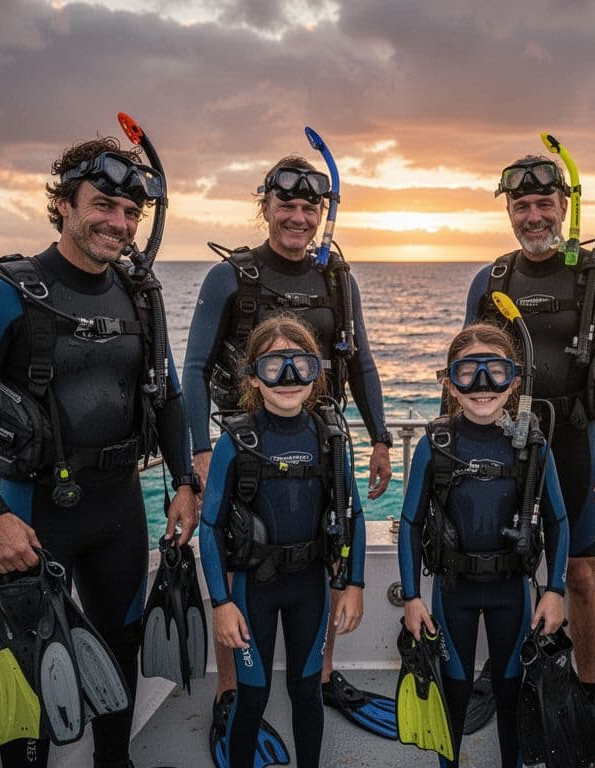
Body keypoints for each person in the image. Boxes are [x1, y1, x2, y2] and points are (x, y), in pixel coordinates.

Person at [0, 137, 199, 768]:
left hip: (119, 508)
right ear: (64, 205)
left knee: (121, 645)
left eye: (131, 214)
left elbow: (169, 396)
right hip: (33, 515)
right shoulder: (6, 295)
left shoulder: (139, 294)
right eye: (103, 204)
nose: (119, 223)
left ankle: (115, 762)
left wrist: (186, 479)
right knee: (34, 661)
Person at [183, 154, 394, 736]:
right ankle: (231, 690)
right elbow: (196, 366)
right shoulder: (232, 276)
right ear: (265, 207)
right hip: (245, 443)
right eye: (287, 205)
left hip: (321, 440)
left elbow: (361, 363)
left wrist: (379, 438)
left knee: (323, 548)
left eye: (310, 207)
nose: (298, 217)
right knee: (235, 551)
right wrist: (198, 451)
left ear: (321, 212)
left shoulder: (336, 278)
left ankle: (320, 677)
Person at [464, 154, 595, 724]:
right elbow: (467, 369)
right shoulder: (491, 280)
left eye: (545, 203)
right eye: (522, 205)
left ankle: (585, 692)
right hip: (506, 444)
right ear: (509, 211)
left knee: (582, 572)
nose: (534, 215)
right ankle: (505, 676)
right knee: (502, 563)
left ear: (565, 207)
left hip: (575, 442)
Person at [397, 322, 569, 768]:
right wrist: (413, 597)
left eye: (495, 371)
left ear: (514, 381)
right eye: (467, 373)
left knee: (511, 693)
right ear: (450, 383)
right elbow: (411, 523)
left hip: (511, 591)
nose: (482, 386)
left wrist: (555, 590)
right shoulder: (435, 445)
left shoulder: (531, 446)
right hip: (452, 591)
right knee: (453, 693)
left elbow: (559, 520)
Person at [198, 314, 366, 768]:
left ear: (318, 372)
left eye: (301, 365)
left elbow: (354, 512)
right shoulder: (236, 441)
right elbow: (209, 527)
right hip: (254, 590)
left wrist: (353, 584)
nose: (289, 378)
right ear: (253, 375)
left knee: (307, 691)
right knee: (252, 696)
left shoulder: (330, 438)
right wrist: (220, 602)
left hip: (310, 587)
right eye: (274, 367)